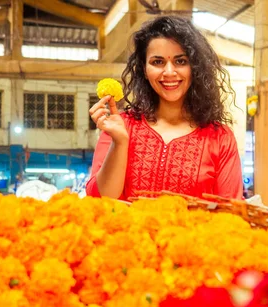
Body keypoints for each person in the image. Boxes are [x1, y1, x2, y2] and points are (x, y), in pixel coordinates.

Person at [86, 16, 243, 200]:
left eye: (181, 61)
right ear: (144, 69)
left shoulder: (220, 139)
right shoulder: (121, 126)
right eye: (157, 62)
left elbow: (232, 214)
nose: (169, 72)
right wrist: (119, 143)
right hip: (127, 230)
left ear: (195, 68)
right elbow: (101, 200)